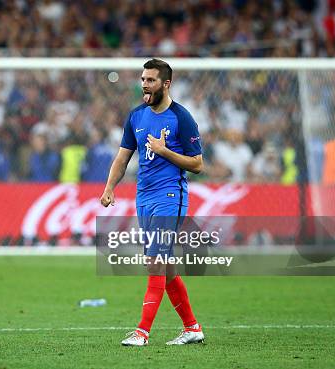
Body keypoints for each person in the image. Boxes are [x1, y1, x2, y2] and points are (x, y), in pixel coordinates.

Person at [100, 59, 204, 346]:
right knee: (166, 268)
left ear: (166, 84)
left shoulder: (181, 118)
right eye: (143, 79)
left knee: (154, 263)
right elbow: (123, 157)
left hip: (171, 196)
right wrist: (110, 187)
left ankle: (142, 332)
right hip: (143, 198)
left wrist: (163, 150)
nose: (144, 84)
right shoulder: (136, 116)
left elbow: (197, 164)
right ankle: (192, 328)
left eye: (150, 80)